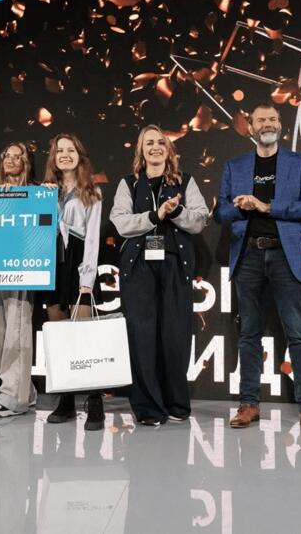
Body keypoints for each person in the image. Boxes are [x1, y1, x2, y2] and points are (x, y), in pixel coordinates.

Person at [214, 102, 301, 435]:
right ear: (250, 127)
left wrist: (266, 206)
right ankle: (249, 404)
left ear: (281, 125)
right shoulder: (234, 166)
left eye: (273, 119)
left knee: (298, 335)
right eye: (261, 119)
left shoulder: (300, 163)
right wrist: (242, 207)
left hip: (285, 255)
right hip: (248, 255)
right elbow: (220, 213)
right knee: (249, 333)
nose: (268, 123)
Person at [110, 125, 209, 426]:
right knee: (141, 337)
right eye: (148, 143)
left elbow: (200, 219)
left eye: (160, 142)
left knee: (175, 335)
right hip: (138, 267)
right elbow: (120, 222)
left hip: (174, 265)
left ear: (168, 149)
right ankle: (148, 408)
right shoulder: (128, 183)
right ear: (141, 151)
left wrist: (175, 212)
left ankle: (176, 403)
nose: (155, 147)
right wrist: (155, 216)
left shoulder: (185, 181)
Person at [39, 133, 105, 431]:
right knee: (59, 337)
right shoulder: (45, 192)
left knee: (84, 337)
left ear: (80, 155)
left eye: (70, 150)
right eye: (59, 150)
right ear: (53, 158)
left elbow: (92, 238)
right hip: (53, 262)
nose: (64, 154)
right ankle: (66, 401)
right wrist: (43, 199)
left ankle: (95, 401)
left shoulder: (92, 191)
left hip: (78, 263)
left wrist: (87, 279)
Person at [0, 142, 38, 417]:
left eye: (19, 156)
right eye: (7, 155)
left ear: (27, 163)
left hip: (22, 268)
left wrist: (32, 196)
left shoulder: (37, 193)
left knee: (17, 328)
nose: (12, 159)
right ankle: (26, 389)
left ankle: (12, 396)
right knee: (0, 331)